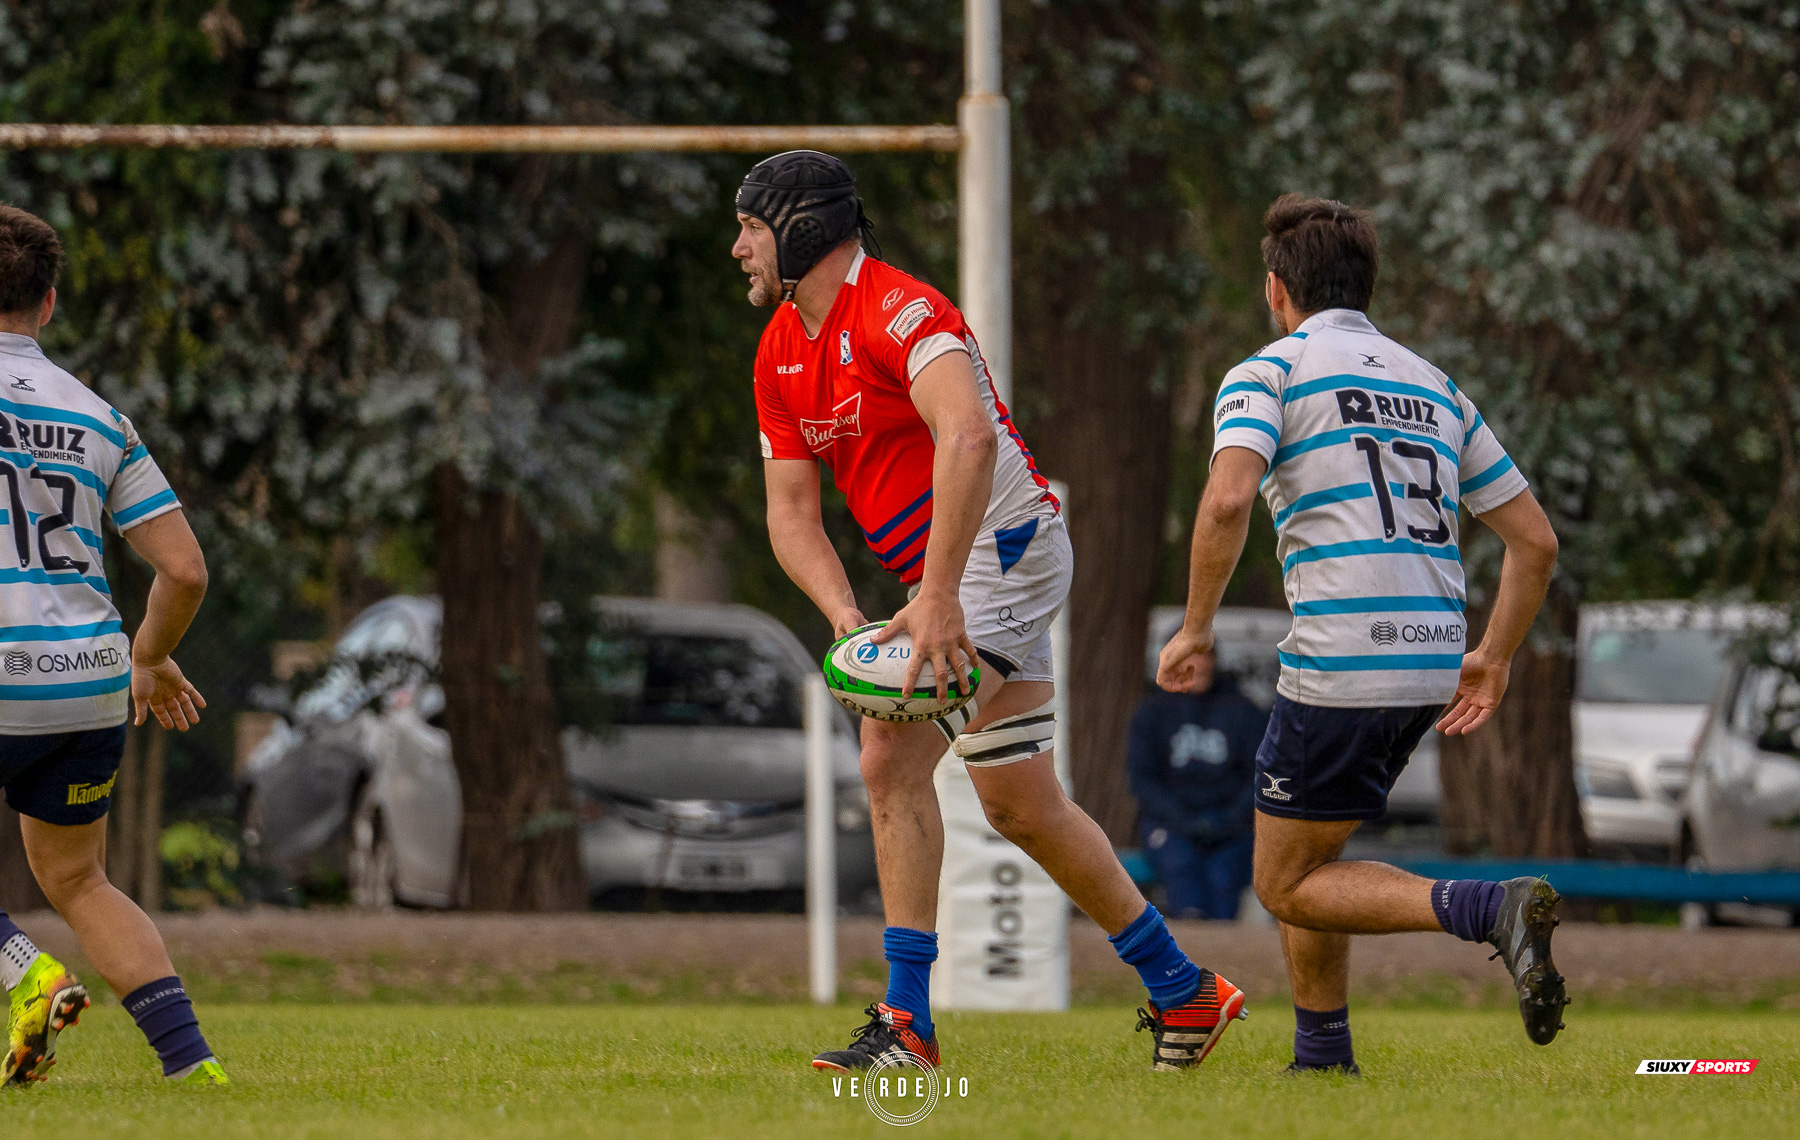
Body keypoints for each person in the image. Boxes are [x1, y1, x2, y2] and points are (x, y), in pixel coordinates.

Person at [735, 151, 1244, 1074]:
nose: (738, 248)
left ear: (801, 229)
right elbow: (789, 515)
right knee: (1022, 806)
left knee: (889, 757)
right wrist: (847, 616)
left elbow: (969, 434)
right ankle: (1186, 991)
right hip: (951, 574)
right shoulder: (779, 351)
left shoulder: (899, 308)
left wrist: (934, 599)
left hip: (1004, 550)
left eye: (750, 228)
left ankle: (907, 1024)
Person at [1158, 194, 1568, 1075]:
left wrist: (1195, 628)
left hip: (1345, 658)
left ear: (1276, 289)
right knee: (1314, 851)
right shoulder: (1432, 382)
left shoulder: (1269, 372)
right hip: (1429, 658)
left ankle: (1487, 908)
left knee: (1283, 881)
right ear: (1366, 286)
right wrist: (1491, 656)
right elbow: (1535, 540)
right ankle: (1322, 1058)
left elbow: (1229, 498)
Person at [0, 205, 226, 1086]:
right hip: (86, 681)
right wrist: (149, 656)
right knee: (80, 880)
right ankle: (192, 1066)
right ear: (49, 302)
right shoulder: (98, 417)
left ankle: (29, 976)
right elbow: (184, 571)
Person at [1127, 648, 1267, 920]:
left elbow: (1259, 776)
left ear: (1214, 660)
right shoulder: (1153, 711)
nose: (1197, 664)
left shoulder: (1243, 710)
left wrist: (1226, 819)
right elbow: (1142, 779)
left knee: (1224, 876)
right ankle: (1191, 942)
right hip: (1171, 824)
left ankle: (1221, 951)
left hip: (1230, 826)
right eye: (1188, 656)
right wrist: (1182, 820)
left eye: (1203, 655)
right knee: (1181, 868)